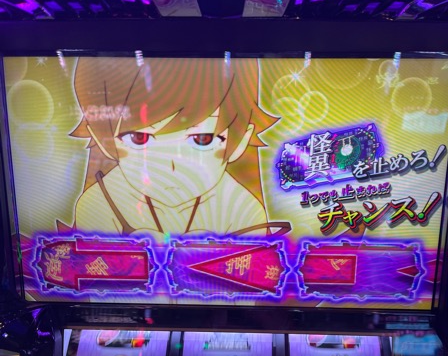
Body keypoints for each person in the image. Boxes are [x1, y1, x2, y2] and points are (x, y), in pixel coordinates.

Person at [69, 57, 289, 241]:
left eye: (202, 139)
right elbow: (96, 274)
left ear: (241, 141)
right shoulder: (100, 202)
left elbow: (248, 276)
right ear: (103, 140)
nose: (171, 166)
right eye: (139, 138)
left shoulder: (242, 209)